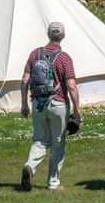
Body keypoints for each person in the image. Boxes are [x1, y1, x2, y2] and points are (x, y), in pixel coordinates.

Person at [19, 21, 80, 192]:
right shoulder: (64, 58)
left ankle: (30, 166)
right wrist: (77, 109)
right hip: (58, 103)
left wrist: (24, 104)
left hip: (38, 103)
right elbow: (71, 86)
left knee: (39, 140)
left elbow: (25, 80)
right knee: (57, 143)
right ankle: (53, 183)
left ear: (48, 34)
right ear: (63, 36)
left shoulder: (35, 54)